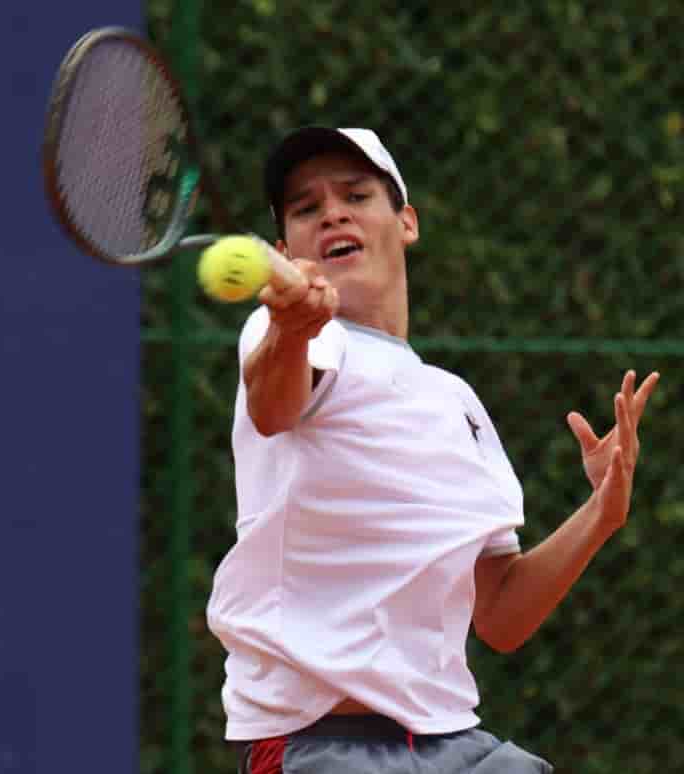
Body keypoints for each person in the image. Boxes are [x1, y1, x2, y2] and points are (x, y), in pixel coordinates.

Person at [205, 126, 660, 774]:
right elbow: (273, 408)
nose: (331, 211)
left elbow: (500, 613)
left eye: (356, 195)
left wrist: (602, 515)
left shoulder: (458, 403)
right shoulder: (298, 339)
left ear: (406, 222)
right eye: (306, 208)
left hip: (453, 742)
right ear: (284, 251)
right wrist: (290, 325)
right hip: (322, 745)